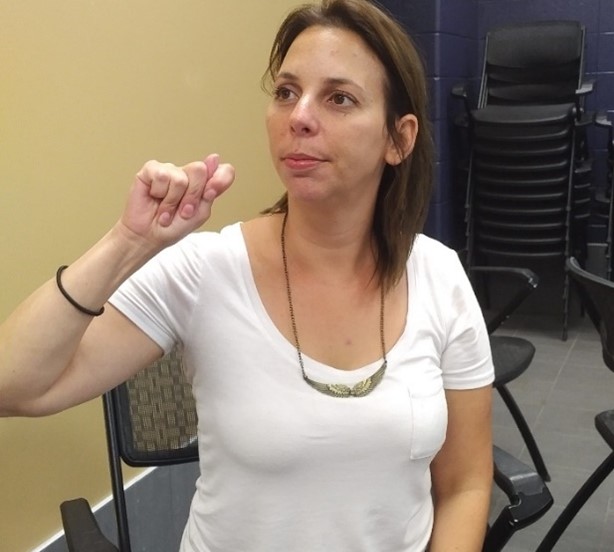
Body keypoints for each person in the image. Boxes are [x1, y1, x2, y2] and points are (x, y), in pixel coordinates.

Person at [0, 0, 494, 550]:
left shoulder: (441, 278)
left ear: (398, 139)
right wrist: (129, 242)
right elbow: (13, 385)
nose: (299, 116)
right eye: (286, 92)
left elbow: (465, 485)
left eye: (339, 98)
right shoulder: (204, 269)